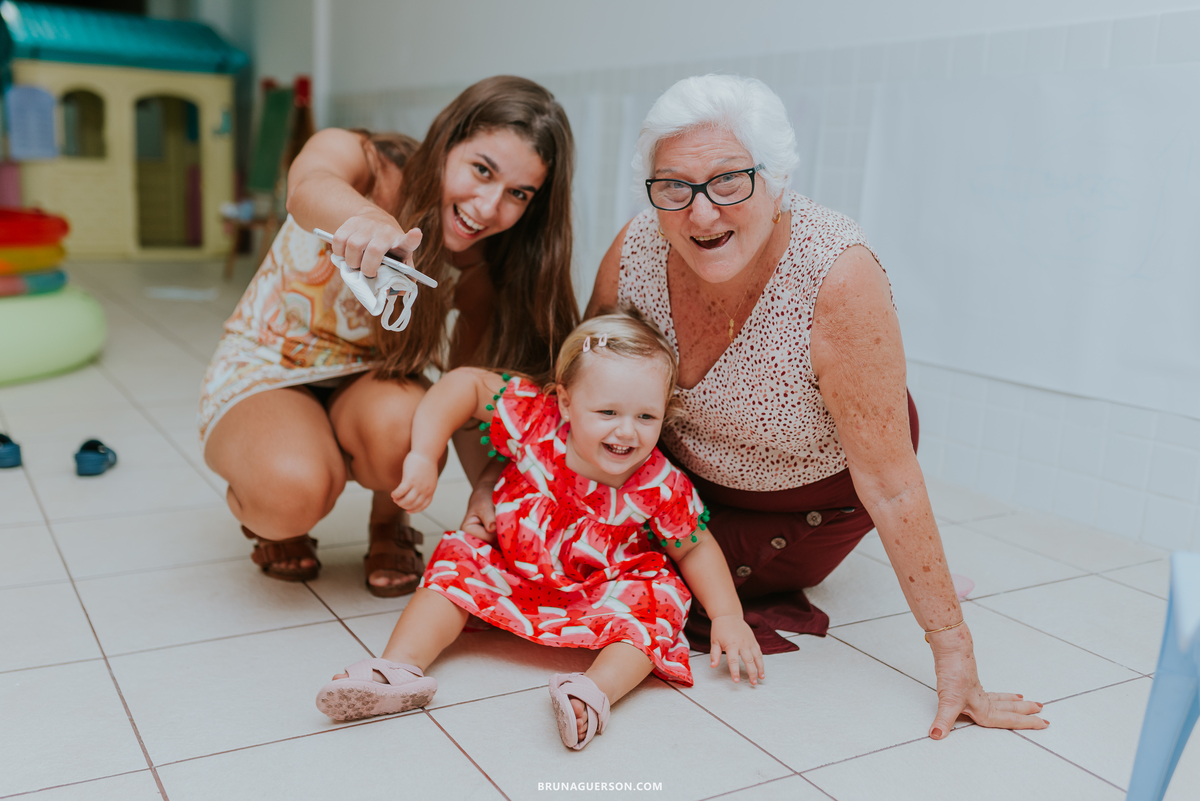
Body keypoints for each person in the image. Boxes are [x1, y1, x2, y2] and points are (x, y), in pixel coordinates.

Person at [579, 74, 1048, 740]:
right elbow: (584, 390)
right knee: (586, 563)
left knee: (673, 582)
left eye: (729, 181)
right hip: (687, 479)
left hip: (809, 495)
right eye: (674, 188)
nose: (701, 213)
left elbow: (890, 481)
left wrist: (955, 653)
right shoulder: (636, 249)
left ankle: (891, 570)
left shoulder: (836, 272)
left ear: (779, 177)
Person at [199, 76, 578, 597]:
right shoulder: (362, 159)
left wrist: (488, 493)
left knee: (411, 432)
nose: (488, 207)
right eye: (481, 170)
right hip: (267, 367)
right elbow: (307, 188)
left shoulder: (479, 270)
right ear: (447, 141)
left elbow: (465, 396)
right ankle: (270, 498)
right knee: (289, 493)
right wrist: (370, 220)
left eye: (517, 194)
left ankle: (390, 522)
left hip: (371, 384)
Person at [315, 312, 763, 751]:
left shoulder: (658, 482)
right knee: (459, 558)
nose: (627, 431)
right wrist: (422, 455)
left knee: (659, 604)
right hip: (513, 566)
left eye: (647, 416)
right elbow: (464, 383)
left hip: (603, 586)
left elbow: (694, 547)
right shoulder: (536, 419)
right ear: (565, 401)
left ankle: (591, 693)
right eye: (607, 411)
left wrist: (728, 616)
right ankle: (397, 669)